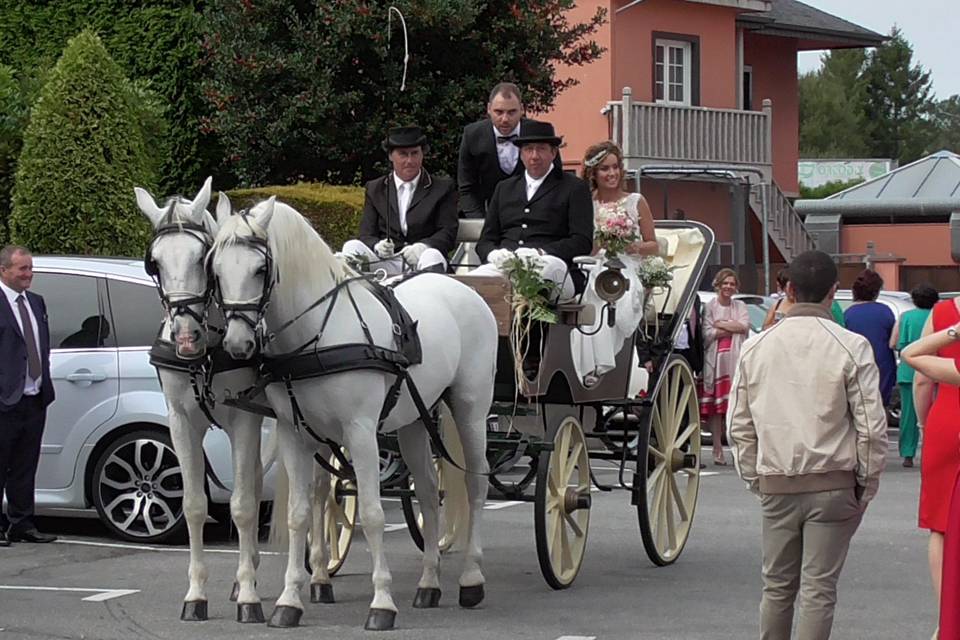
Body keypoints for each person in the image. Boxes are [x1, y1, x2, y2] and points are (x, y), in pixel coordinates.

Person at [728, 250, 887, 640]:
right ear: (834, 291)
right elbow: (870, 426)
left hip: (777, 479)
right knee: (819, 589)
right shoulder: (851, 345)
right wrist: (865, 485)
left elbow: (739, 425)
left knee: (777, 587)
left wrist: (754, 477)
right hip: (834, 480)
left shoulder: (756, 347)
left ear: (790, 290)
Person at [472, 120, 592, 301]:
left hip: (553, 265)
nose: (534, 156)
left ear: (553, 152)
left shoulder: (574, 188)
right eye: (528, 149)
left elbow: (581, 241)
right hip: (507, 265)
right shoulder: (504, 188)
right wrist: (494, 254)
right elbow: (486, 240)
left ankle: (531, 330)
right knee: (472, 284)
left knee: (540, 279)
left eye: (541, 148)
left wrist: (542, 253)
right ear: (521, 154)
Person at [572, 141, 658, 383]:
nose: (611, 174)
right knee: (586, 295)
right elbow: (584, 246)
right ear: (593, 174)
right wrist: (599, 243)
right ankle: (585, 364)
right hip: (594, 262)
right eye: (604, 169)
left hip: (627, 264)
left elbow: (653, 244)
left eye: (615, 167)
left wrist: (632, 246)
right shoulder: (586, 203)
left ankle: (604, 364)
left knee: (613, 293)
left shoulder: (635, 201)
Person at [902, 321, 960, 640]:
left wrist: (955, 331)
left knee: (941, 527)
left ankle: (947, 617)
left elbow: (913, 355)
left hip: (947, 423)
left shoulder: (941, 312)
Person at [341, 126, 458, 274]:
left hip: (422, 260)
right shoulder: (375, 188)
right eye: (403, 154)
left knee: (432, 255)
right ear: (391, 156)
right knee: (352, 247)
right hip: (386, 263)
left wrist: (424, 246)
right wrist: (377, 246)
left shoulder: (442, 188)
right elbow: (366, 234)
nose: (409, 161)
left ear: (422, 154)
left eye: (414, 154)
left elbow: (447, 232)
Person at [0, 245, 57, 545]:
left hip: (34, 397)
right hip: (4, 398)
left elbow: (39, 345)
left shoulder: (36, 302)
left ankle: (21, 522)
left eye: (30, 268)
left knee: (25, 464)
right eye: (22, 269)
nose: (29, 274)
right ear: (4, 270)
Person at [457, 82, 562, 219]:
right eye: (498, 112)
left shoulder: (540, 133)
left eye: (512, 112)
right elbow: (467, 188)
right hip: (486, 217)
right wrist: (480, 223)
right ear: (489, 109)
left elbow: (555, 180)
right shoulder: (472, 135)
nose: (505, 119)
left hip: (535, 217)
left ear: (522, 109)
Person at [701, 268, 750, 465]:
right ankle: (717, 447)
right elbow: (707, 333)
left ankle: (736, 447)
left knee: (735, 406)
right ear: (718, 285)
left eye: (732, 284)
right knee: (716, 408)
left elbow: (744, 326)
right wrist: (730, 326)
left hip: (734, 361)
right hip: (715, 362)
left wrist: (722, 324)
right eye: (725, 283)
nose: (728, 287)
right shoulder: (710, 306)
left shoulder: (740, 306)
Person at [891, 284, 937, 468]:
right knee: (933, 414)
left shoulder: (906, 317)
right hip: (935, 369)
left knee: (909, 415)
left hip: (909, 370)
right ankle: (931, 450)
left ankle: (908, 454)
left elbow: (894, 343)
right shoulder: (937, 317)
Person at [844, 269, 896, 406]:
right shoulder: (885, 311)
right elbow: (893, 341)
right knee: (881, 407)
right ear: (876, 291)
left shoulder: (848, 314)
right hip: (882, 365)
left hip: (856, 364)